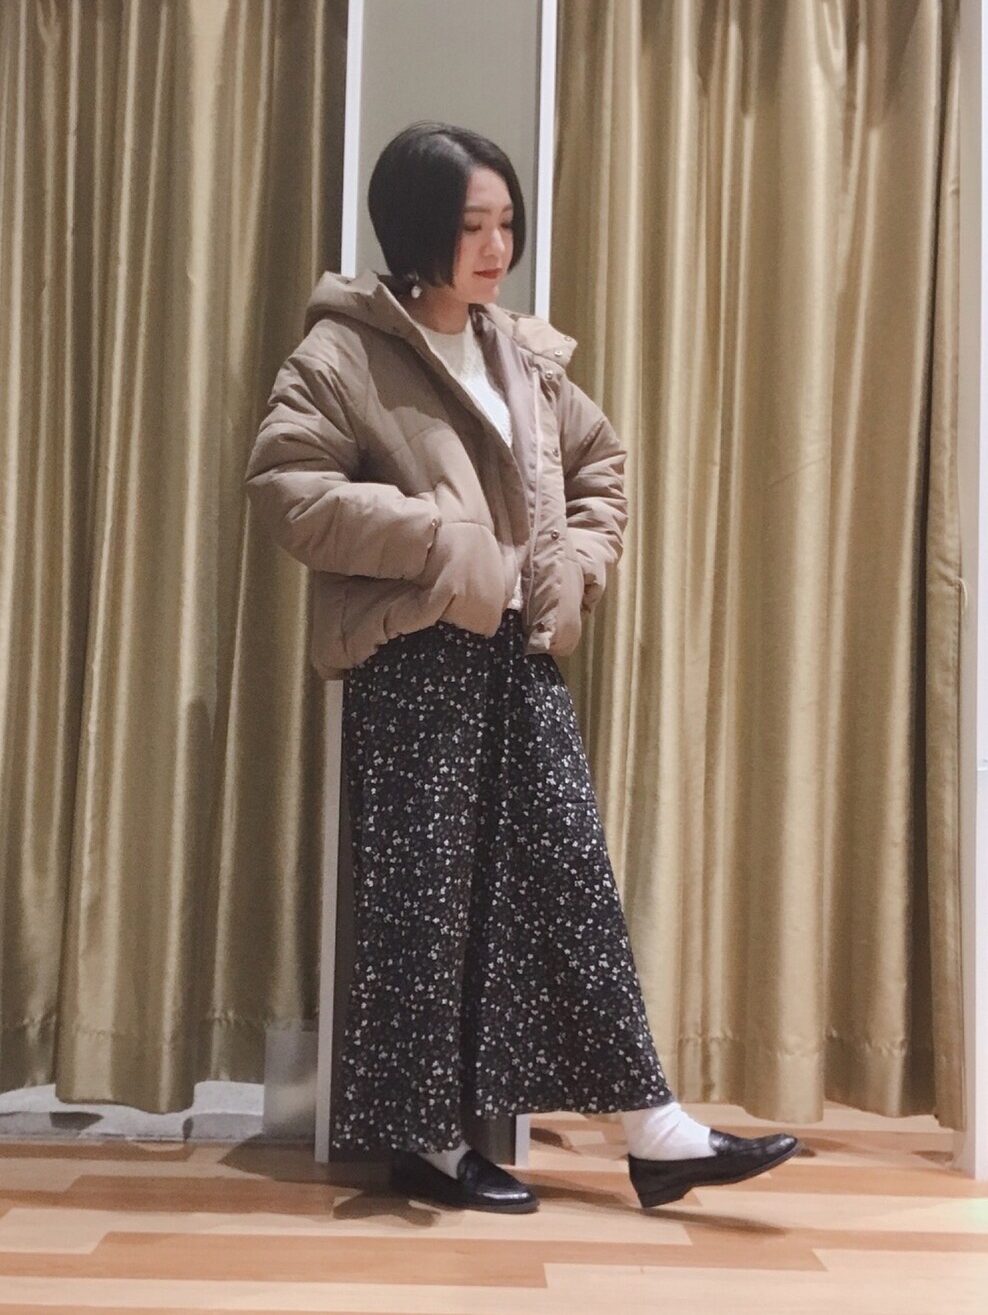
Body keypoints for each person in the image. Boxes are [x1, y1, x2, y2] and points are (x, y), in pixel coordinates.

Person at [244, 121, 799, 1214]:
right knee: (425, 901)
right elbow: (288, 490)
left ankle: (654, 1129)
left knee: (573, 884)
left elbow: (602, 465)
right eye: (472, 226)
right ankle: (427, 1138)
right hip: (413, 659)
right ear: (417, 229)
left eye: (506, 223)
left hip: (517, 657)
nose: (497, 248)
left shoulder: (521, 354)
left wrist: (574, 569)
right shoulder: (343, 353)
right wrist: (447, 545)